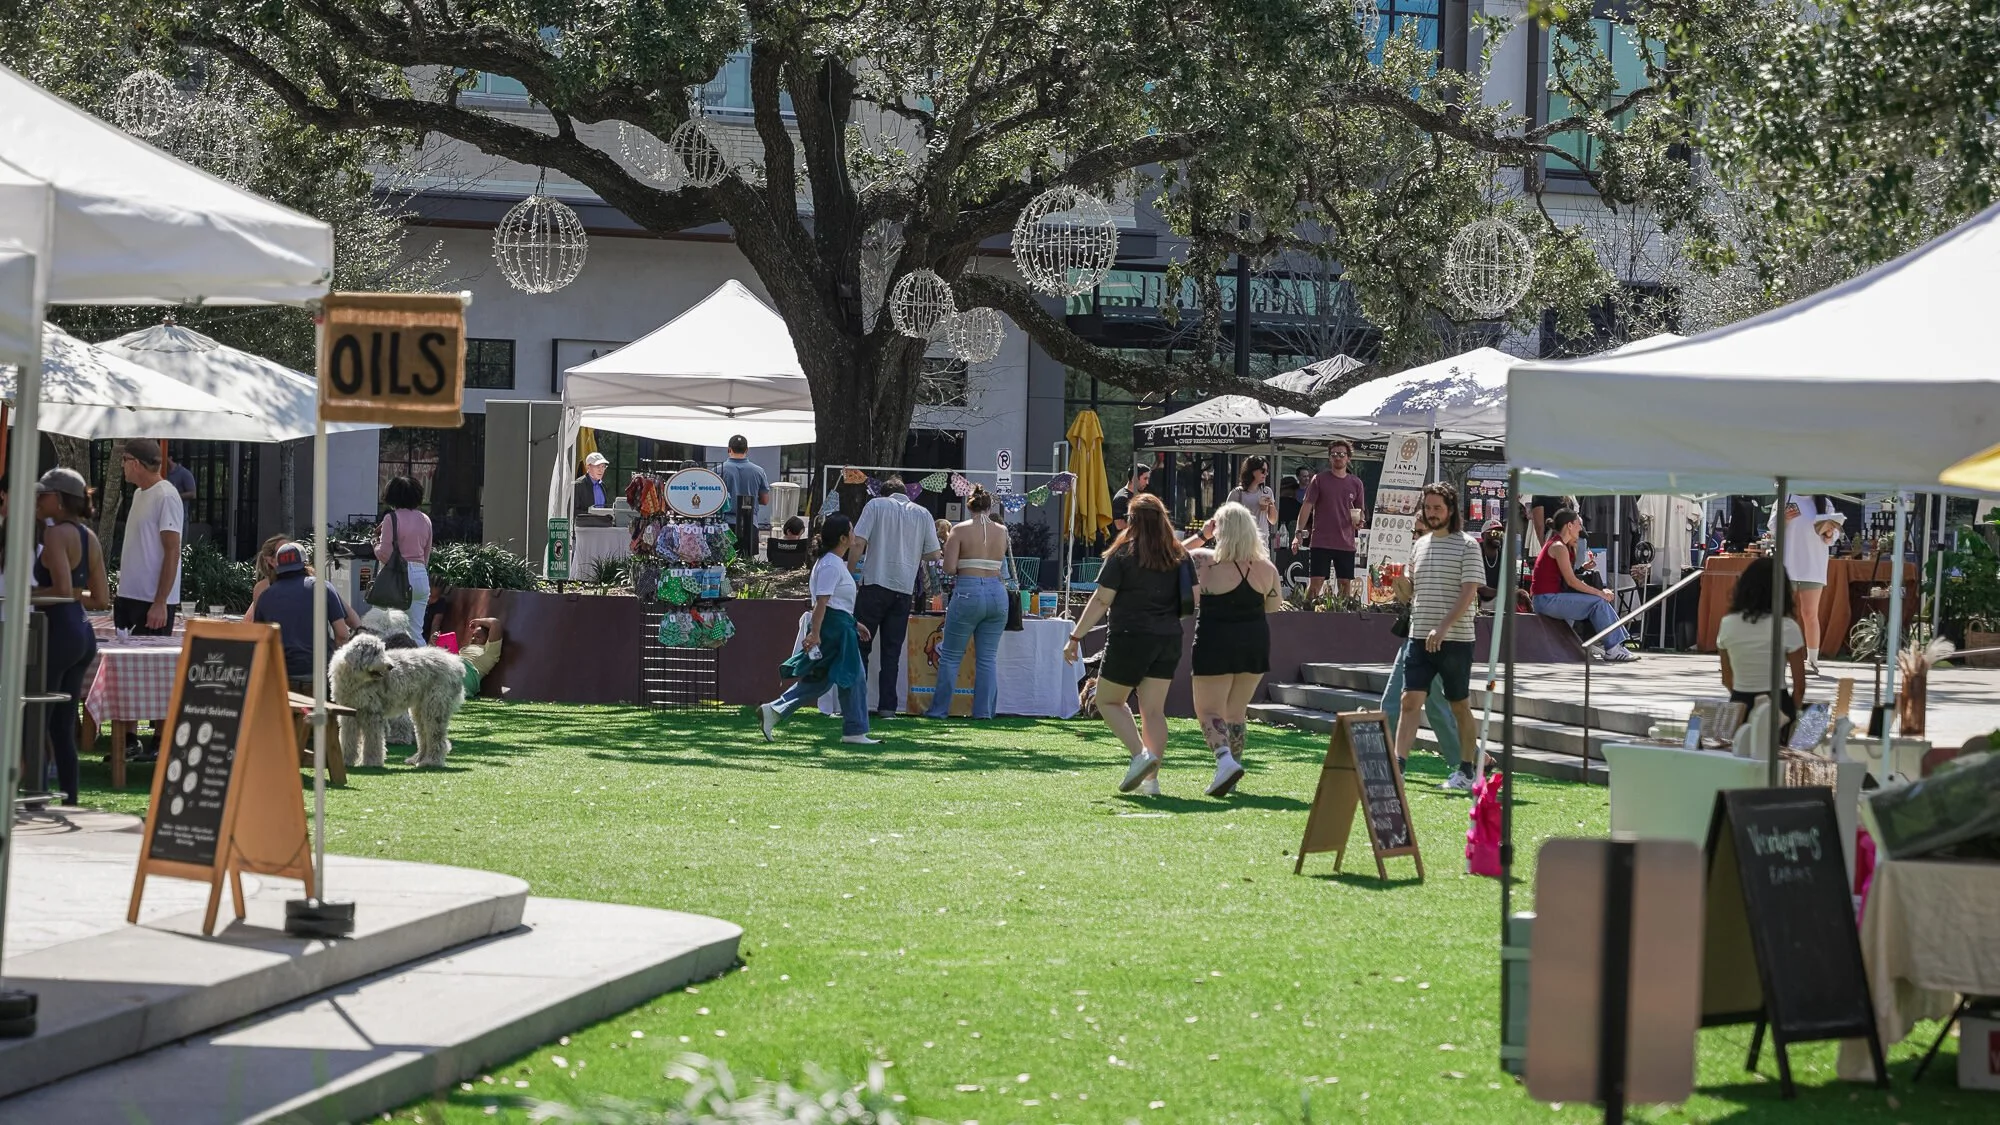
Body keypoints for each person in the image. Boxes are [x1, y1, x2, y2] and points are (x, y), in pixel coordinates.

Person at [1063, 493, 1187, 795]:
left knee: (1107, 700)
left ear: (1133, 521)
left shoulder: (1123, 555)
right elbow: (1192, 596)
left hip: (1130, 636)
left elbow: (1102, 599)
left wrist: (1075, 637)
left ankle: (1139, 755)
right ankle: (1151, 781)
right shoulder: (1177, 554)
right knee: (1153, 712)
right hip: (1169, 638)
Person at [1390, 483, 1487, 791]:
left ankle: (1467, 770)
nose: (1432, 514)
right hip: (1419, 636)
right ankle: (1398, 768)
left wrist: (1444, 627)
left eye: (1437, 508)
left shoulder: (1469, 545)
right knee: (1409, 700)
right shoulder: (1419, 545)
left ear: (1451, 510)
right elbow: (1410, 594)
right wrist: (1397, 583)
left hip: (1456, 638)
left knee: (1459, 704)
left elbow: (1469, 592)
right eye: (1428, 508)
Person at [759, 514, 877, 745]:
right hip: (834, 628)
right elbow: (822, 602)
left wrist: (854, 623)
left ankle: (774, 710)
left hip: (839, 625)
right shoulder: (831, 564)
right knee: (853, 676)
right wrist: (815, 633)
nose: (855, 534)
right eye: (851, 531)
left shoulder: (831, 563)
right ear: (843, 538)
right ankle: (855, 731)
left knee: (823, 679)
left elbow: (835, 604)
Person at [1188, 502, 1280, 797]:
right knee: (1236, 712)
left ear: (1219, 529)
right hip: (1254, 642)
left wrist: (1202, 536)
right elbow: (1274, 606)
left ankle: (1225, 762)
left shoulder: (1204, 561)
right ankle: (1233, 767)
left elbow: (1171, 555)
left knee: (1208, 711)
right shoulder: (1267, 569)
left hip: (1215, 641)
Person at [30, 469, 109, 806]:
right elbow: (101, 599)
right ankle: (71, 800)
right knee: (62, 725)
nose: (37, 500)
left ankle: (34, 799)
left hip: (57, 633)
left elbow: (60, 590)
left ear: (58, 500)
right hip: (82, 634)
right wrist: (71, 594)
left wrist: (24, 593)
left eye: (42, 495)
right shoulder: (88, 536)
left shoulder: (56, 534)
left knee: (35, 719)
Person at [851, 476, 943, 719]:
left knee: (861, 646)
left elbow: (858, 541)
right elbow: (934, 552)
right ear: (906, 493)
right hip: (903, 589)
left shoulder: (875, 506)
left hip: (874, 583)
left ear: (883, 493)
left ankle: (855, 702)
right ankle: (888, 707)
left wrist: (848, 572)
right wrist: (912, 555)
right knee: (892, 652)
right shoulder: (922, 513)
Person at [924, 487, 1012, 720]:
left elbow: (949, 568)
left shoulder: (960, 530)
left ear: (968, 506)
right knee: (987, 658)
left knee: (951, 656)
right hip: (996, 593)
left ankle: (939, 710)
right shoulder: (1002, 531)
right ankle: (983, 712)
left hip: (968, 592)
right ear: (989, 507)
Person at [1717, 556, 1807, 742]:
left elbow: (1727, 678)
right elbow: (1799, 687)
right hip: (1778, 704)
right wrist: (1792, 713)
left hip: (1740, 703)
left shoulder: (1728, 623)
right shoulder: (1787, 626)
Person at [1530, 509, 1639, 662]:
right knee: (1598, 603)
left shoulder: (1562, 546)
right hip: (1546, 600)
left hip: (1550, 597)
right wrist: (1599, 593)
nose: (1581, 529)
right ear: (1569, 525)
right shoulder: (1559, 547)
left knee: (1599, 601)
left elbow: (1568, 577)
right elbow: (1571, 581)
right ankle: (1613, 648)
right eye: (1578, 524)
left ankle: (1616, 645)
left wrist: (1584, 569)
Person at [249, 541, 357, 691]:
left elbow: (257, 642)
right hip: (318, 677)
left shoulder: (265, 596)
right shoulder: (321, 587)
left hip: (280, 680)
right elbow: (342, 634)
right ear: (305, 564)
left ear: (277, 566)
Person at [114, 438, 184, 637]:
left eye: (124, 459)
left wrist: (160, 602)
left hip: (150, 603)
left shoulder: (166, 496)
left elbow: (173, 550)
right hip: (128, 599)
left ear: (135, 463)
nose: (122, 465)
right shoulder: (139, 494)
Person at [1292, 440, 1367, 603]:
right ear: (1329, 458)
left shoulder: (1356, 483)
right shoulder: (1319, 479)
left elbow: (1360, 511)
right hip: (1321, 542)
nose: (1337, 457)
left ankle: (1343, 621)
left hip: (1345, 543)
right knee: (1315, 584)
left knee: (1345, 585)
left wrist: (1360, 521)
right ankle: (1308, 616)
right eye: (1334, 454)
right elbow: (1306, 507)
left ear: (1348, 458)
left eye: (1341, 454)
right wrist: (1298, 533)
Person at [1774, 493, 1840, 674]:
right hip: (1787, 566)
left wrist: (1828, 533)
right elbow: (1773, 530)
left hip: (1813, 566)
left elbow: (1832, 537)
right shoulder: (1785, 498)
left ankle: (1812, 661)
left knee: (1810, 614)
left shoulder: (1824, 503)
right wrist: (1784, 519)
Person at [375, 476, 433, 644]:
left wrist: (374, 544)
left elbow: (385, 555)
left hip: (396, 578)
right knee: (415, 634)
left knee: (383, 630)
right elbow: (426, 556)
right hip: (420, 577)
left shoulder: (391, 518)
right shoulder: (425, 519)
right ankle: (424, 668)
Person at [719, 435, 772, 557]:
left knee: (725, 563)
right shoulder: (759, 471)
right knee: (747, 566)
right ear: (747, 450)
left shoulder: (719, 470)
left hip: (725, 524)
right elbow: (764, 500)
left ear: (729, 449)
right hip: (750, 524)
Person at [1226, 456, 1280, 552]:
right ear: (1252, 471)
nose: (1266, 474)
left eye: (1267, 471)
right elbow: (1227, 520)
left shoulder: (1267, 491)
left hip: (1262, 544)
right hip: (1243, 544)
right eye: (1263, 471)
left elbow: (1273, 520)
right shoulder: (1237, 493)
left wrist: (1271, 505)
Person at [457, 614, 505, 697]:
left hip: (466, 675)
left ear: (487, 639)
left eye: (478, 636)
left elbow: (495, 623)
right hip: (451, 667)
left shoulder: (489, 651)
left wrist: (478, 621)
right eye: (472, 636)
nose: (473, 639)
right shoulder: (464, 649)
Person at [572, 452, 614, 525]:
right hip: (585, 530)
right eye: (598, 466)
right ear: (588, 467)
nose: (601, 470)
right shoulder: (579, 485)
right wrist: (591, 514)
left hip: (603, 528)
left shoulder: (603, 486)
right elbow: (573, 512)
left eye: (603, 466)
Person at [1111, 462, 1151, 533]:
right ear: (1134, 479)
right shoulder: (1122, 498)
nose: (1147, 482)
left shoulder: (1138, 495)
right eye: (1145, 478)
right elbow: (1119, 525)